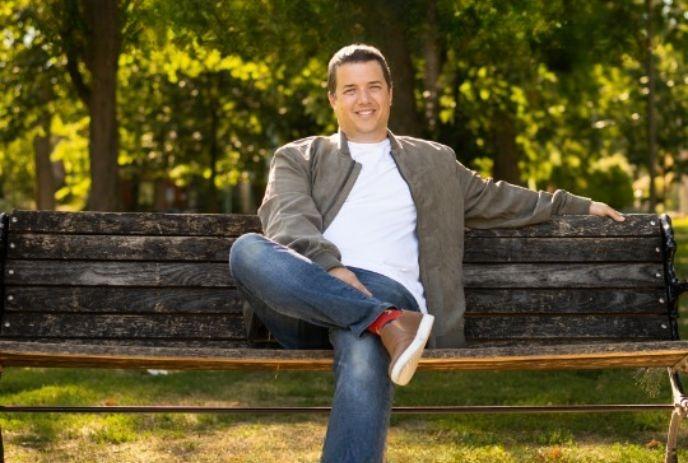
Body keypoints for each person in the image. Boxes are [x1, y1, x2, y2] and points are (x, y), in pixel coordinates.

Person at [228, 43, 625, 463]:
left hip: (392, 290)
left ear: (391, 93)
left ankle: (380, 320)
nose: (364, 99)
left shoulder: (433, 161)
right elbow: (289, 224)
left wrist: (572, 205)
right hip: (310, 302)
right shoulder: (298, 157)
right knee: (248, 250)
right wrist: (334, 270)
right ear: (332, 99)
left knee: (364, 345)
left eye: (374, 87)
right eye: (350, 90)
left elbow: (495, 197)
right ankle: (385, 321)